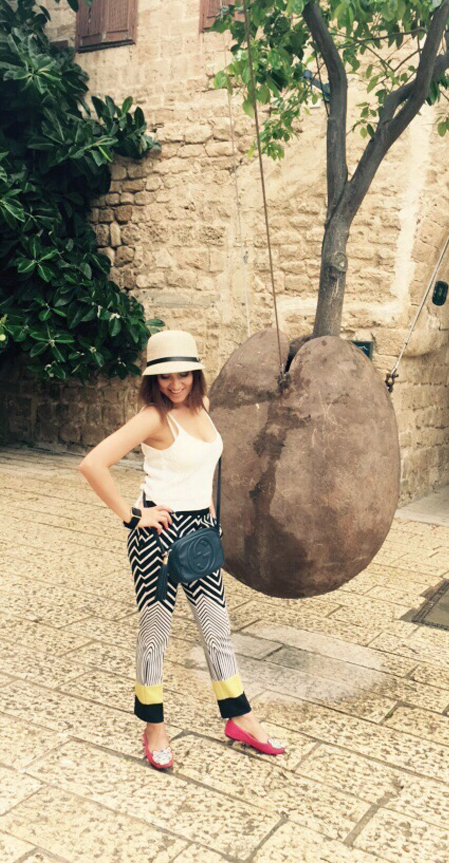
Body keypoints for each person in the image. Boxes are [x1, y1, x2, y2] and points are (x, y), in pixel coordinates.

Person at [79, 329, 285, 769]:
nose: (175, 385)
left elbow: (205, 464)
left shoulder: (204, 409)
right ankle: (153, 726)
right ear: (153, 380)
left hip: (199, 533)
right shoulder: (153, 417)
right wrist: (133, 516)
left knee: (217, 629)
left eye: (183, 375)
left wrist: (208, 509)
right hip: (158, 533)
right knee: (156, 633)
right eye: (165, 377)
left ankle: (240, 718)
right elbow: (92, 463)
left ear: (196, 374)